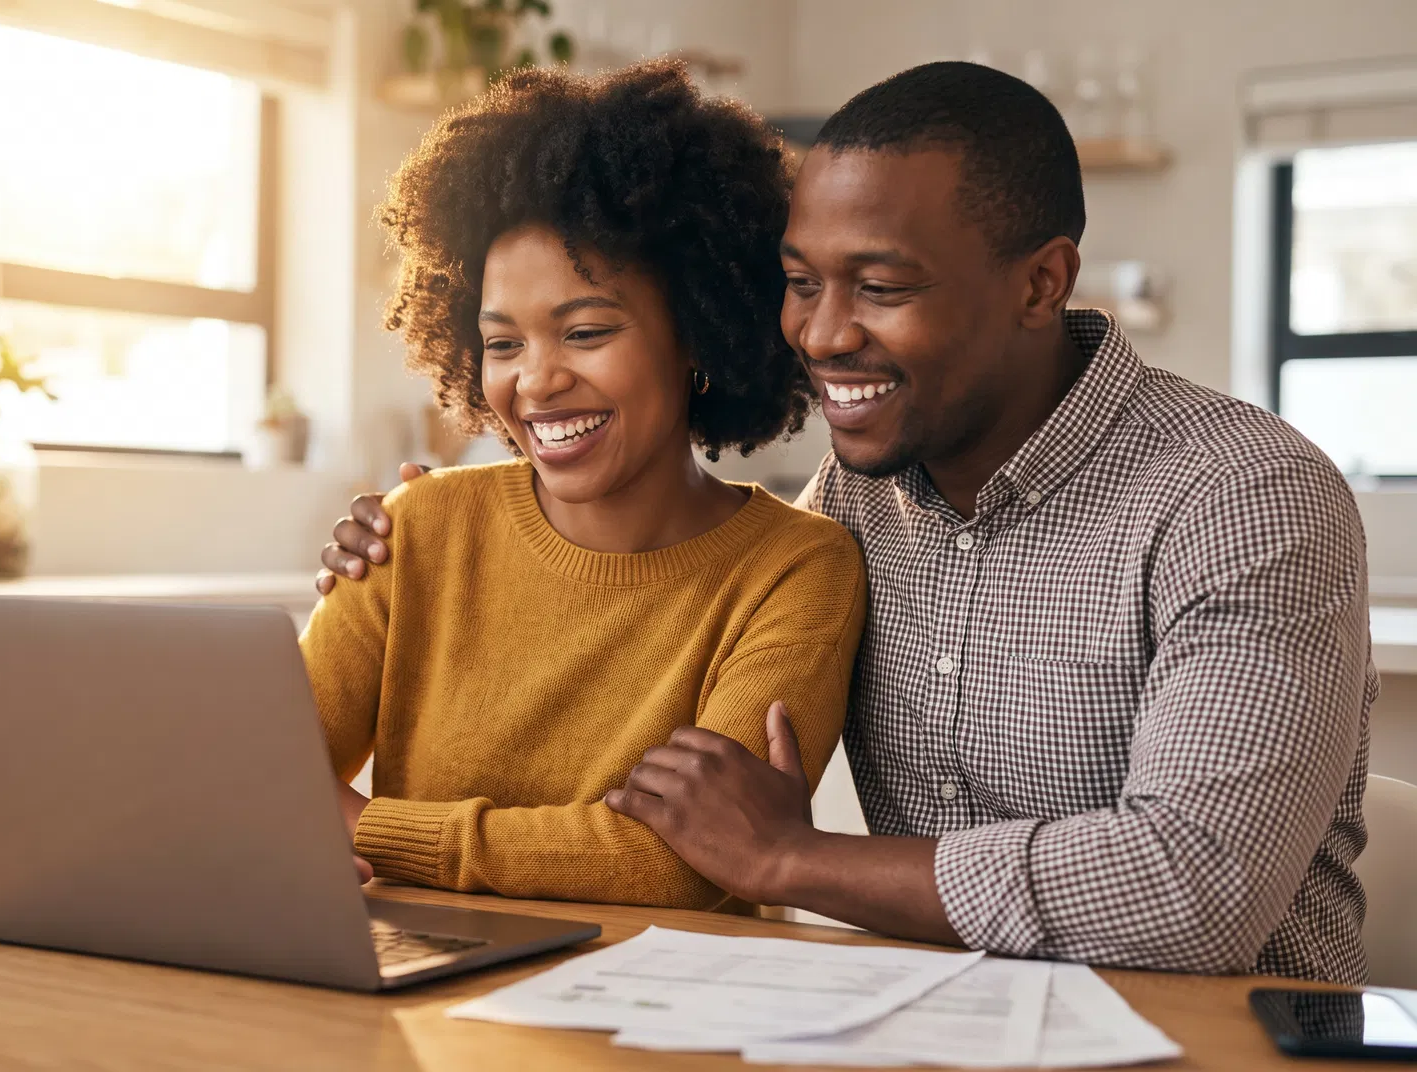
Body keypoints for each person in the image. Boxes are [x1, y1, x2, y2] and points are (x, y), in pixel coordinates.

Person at [317, 61, 1377, 982]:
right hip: (921, 1024)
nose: (822, 335)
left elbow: (1193, 887)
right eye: (799, 283)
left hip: (1211, 1037)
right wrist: (425, 527)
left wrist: (795, 860)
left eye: (879, 285)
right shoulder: (850, 507)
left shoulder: (1244, 496)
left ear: (1041, 283)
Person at [300, 60, 865, 911]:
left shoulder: (796, 570)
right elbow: (263, 777)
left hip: (663, 1012)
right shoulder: (413, 530)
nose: (536, 382)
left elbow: (680, 862)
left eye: (586, 331)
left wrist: (366, 826)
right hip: (424, 1010)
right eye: (502, 344)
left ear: (698, 332)